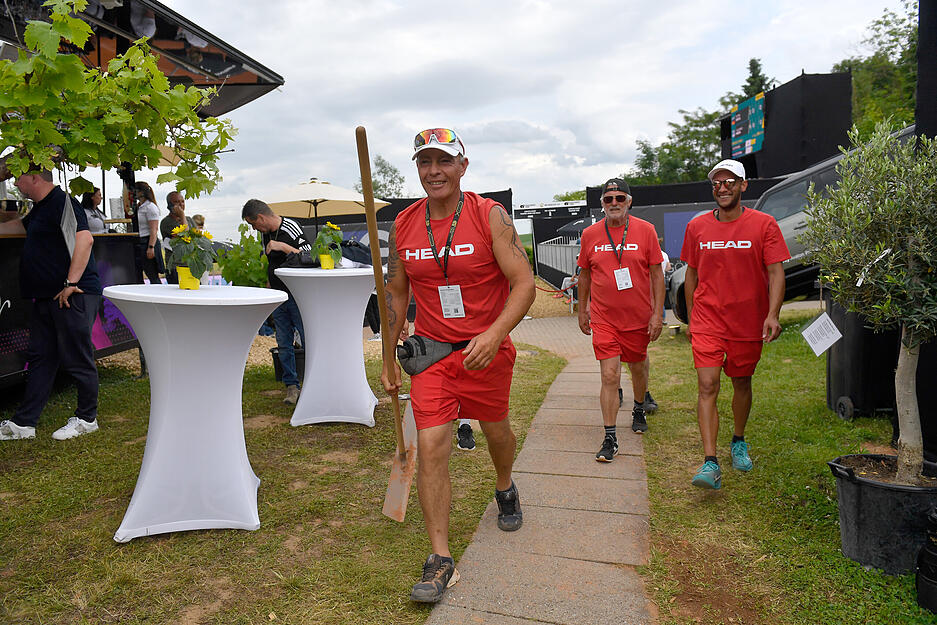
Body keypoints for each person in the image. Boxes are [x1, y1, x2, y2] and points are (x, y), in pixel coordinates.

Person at [381, 128, 534, 603]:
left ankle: (505, 485)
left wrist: (493, 334)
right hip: (431, 354)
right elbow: (397, 292)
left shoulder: (490, 216)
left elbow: (524, 283)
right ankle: (440, 559)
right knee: (431, 444)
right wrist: (389, 356)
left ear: (462, 167)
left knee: (496, 432)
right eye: (424, 163)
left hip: (484, 349)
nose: (433, 172)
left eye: (443, 162)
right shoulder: (405, 225)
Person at [681, 159, 790, 490]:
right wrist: (691, 316)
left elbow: (775, 272)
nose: (723, 187)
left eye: (730, 182)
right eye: (717, 183)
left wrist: (772, 315)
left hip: (746, 322)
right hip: (707, 320)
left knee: (741, 382)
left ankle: (738, 440)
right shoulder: (697, 227)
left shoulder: (764, 224)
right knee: (708, 385)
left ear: (744, 186)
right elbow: (691, 274)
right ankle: (710, 462)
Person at [0, 171, 102, 441]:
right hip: (47, 296)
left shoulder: (64, 202)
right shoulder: (40, 209)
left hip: (73, 293)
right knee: (41, 358)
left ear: (34, 177)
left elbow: (85, 240)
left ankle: (87, 418)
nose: (14, 184)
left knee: (77, 358)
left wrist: (71, 282)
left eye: (17, 178)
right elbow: (18, 228)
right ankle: (24, 424)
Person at [576, 178, 664, 461]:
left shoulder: (646, 231)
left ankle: (639, 405)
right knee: (610, 375)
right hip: (604, 319)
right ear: (602, 205)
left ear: (629, 202)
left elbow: (656, 275)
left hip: (638, 318)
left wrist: (656, 314)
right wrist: (582, 309)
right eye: (608, 199)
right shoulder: (590, 235)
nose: (614, 203)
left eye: (619, 198)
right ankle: (610, 437)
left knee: (638, 368)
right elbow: (585, 274)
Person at [242, 199, 311, 405]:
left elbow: (309, 255)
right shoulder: (265, 234)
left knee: (307, 338)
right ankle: (291, 386)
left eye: (253, 224)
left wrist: (283, 246)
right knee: (283, 341)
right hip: (278, 296)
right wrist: (268, 285)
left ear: (261, 218)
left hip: (297, 295)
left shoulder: (291, 227)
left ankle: (310, 382)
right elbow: (273, 262)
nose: (254, 228)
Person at [160, 191, 195, 285]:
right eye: (177, 202)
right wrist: (182, 215)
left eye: (182, 201)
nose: (181, 204)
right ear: (170, 205)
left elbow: (195, 239)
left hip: (191, 266)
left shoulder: (189, 220)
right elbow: (185, 235)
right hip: (176, 267)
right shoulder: (166, 222)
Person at [132, 181, 164, 284]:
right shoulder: (138, 207)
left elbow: (153, 229)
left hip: (147, 241)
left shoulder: (150, 207)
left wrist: (151, 247)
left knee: (152, 274)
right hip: (139, 240)